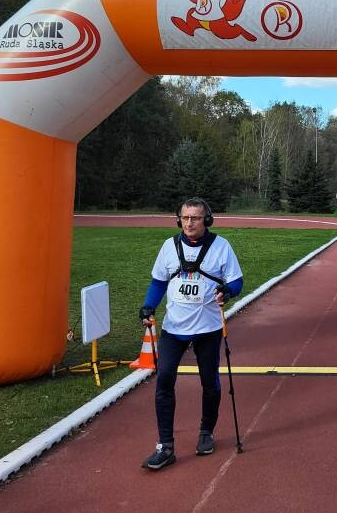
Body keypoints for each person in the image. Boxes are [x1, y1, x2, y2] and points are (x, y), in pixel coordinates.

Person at [139, 198, 244, 470]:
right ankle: (165, 446)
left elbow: (236, 280)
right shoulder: (169, 246)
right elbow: (159, 281)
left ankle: (206, 432)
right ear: (179, 220)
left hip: (208, 329)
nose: (189, 223)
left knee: (209, 382)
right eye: (185, 218)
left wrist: (227, 291)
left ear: (207, 220)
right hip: (173, 329)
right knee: (164, 381)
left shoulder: (221, 247)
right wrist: (149, 306)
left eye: (195, 218)